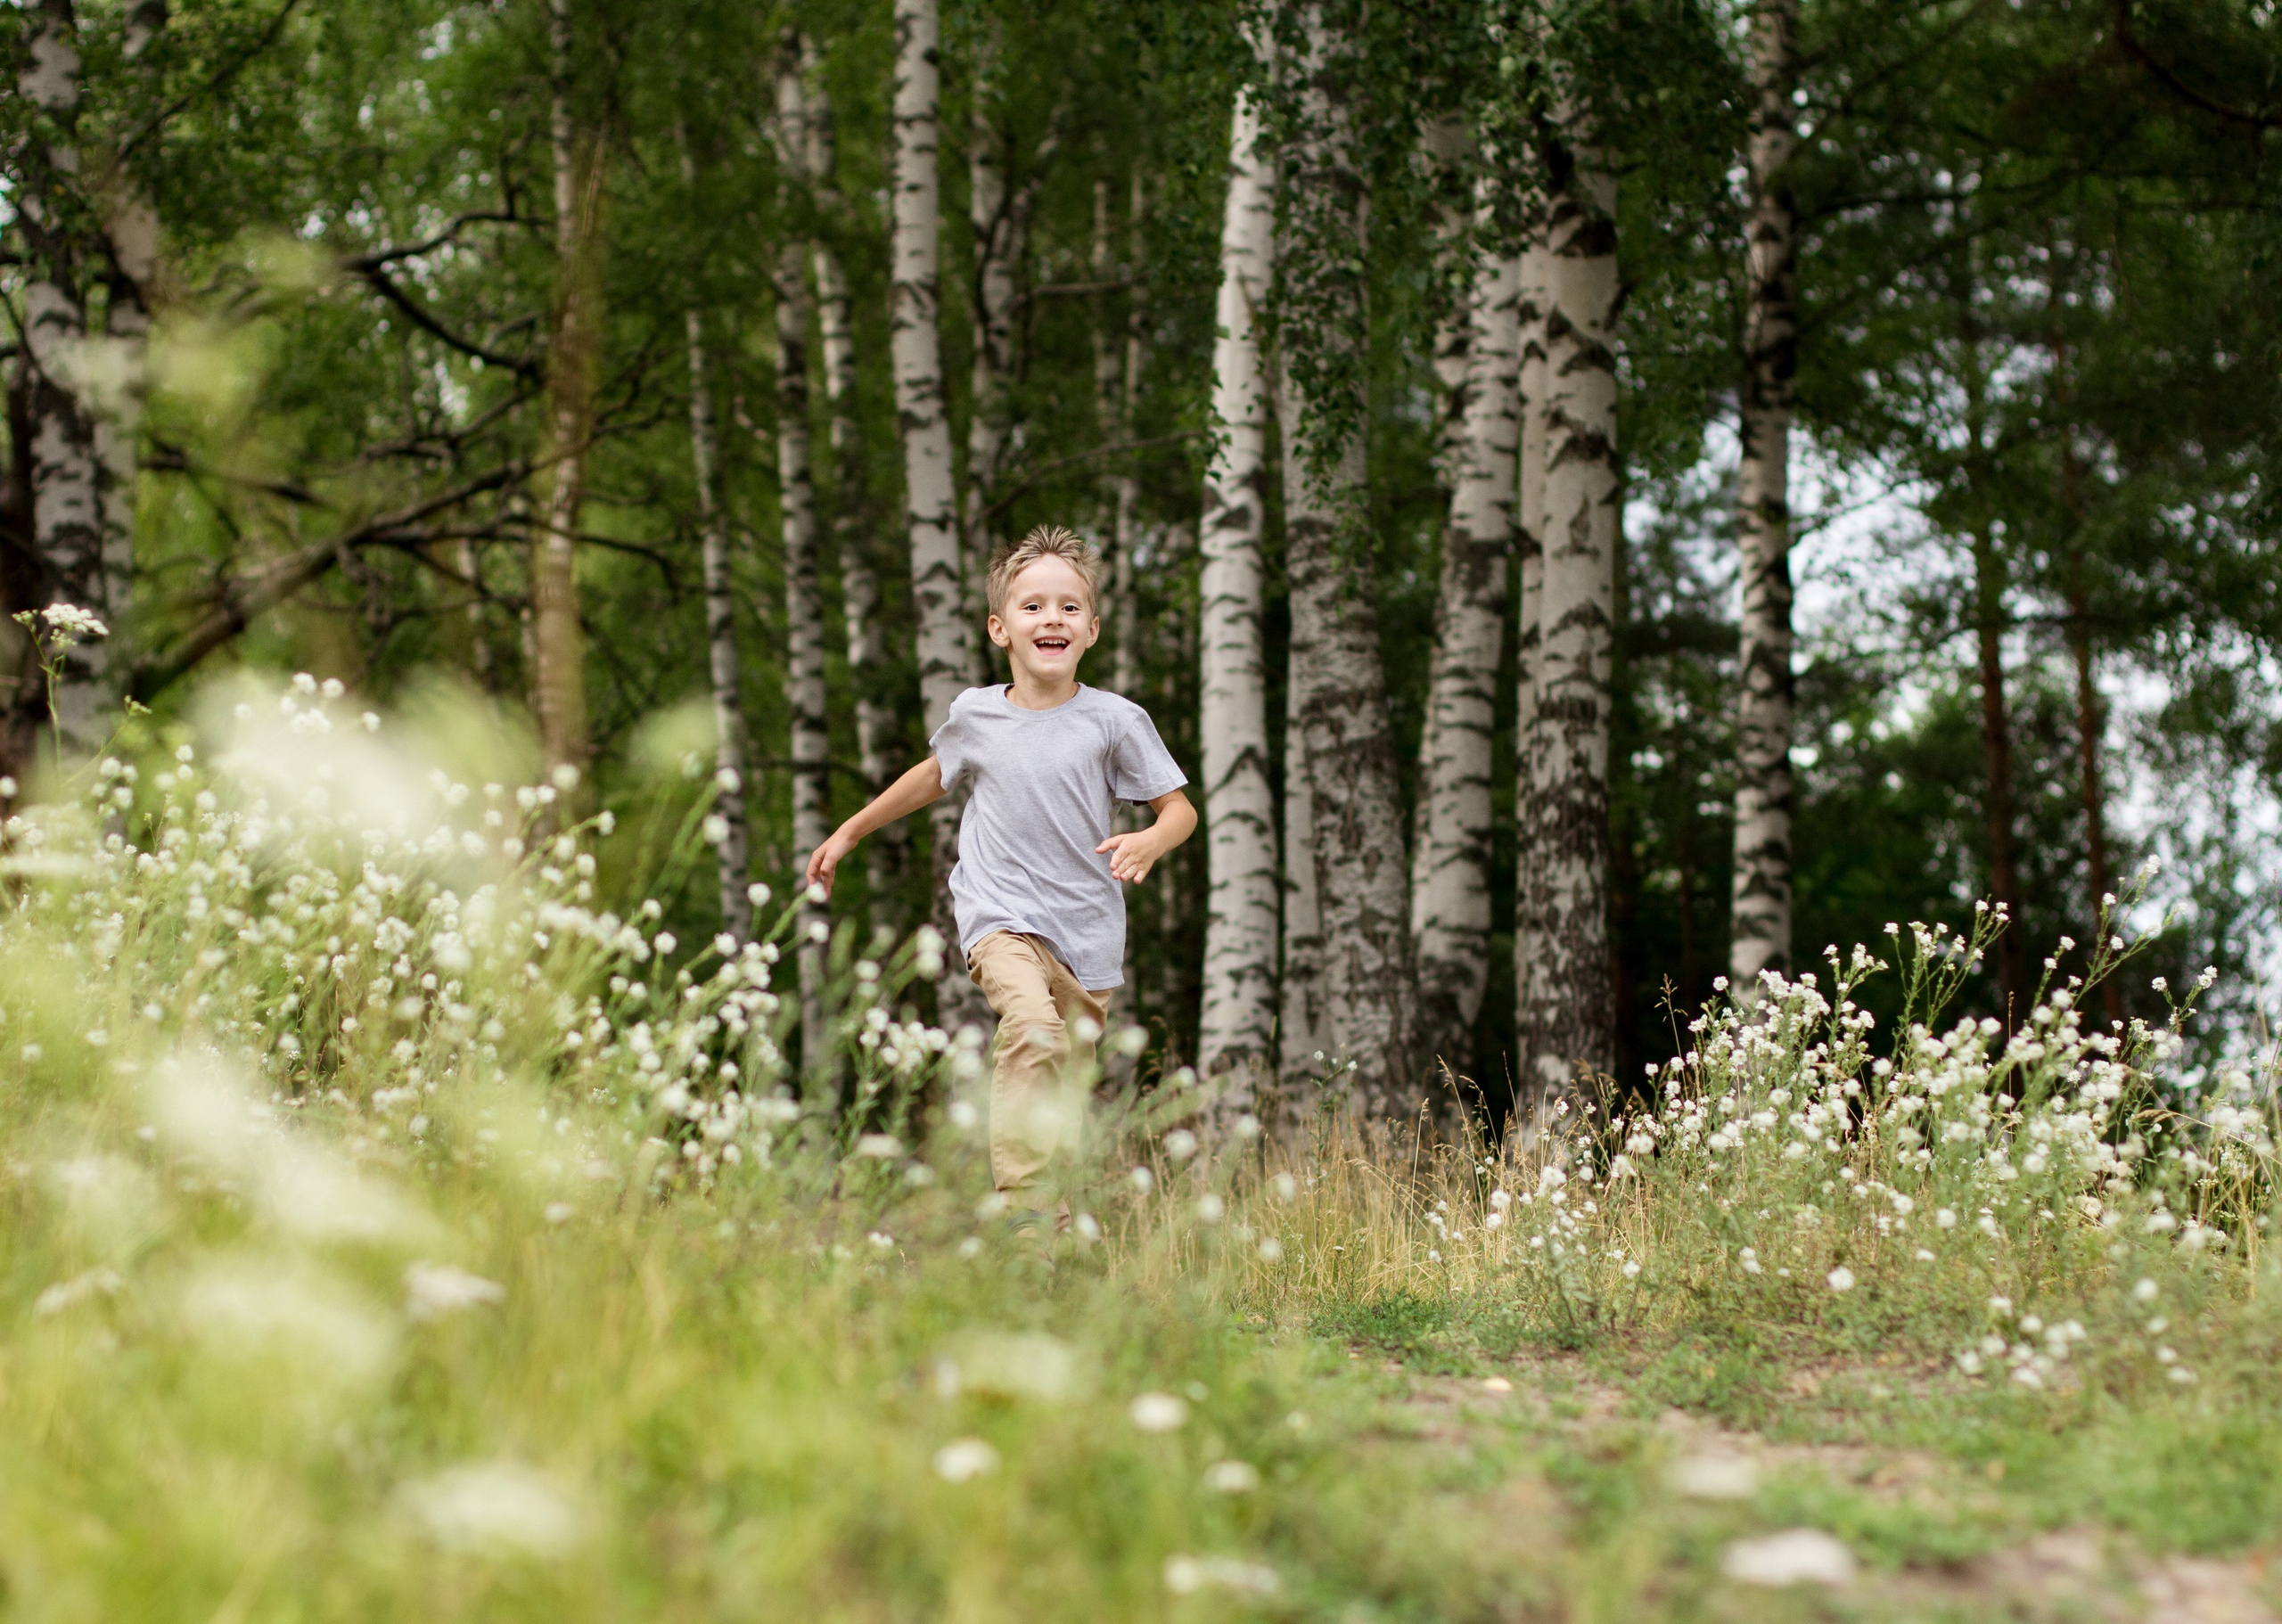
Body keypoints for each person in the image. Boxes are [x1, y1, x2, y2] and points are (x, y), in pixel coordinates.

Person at [803, 524, 1196, 1194]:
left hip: (1087, 938)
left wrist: (1153, 840)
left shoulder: (1116, 721)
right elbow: (932, 776)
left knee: (1060, 1100)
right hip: (1000, 918)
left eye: (1069, 607)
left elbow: (1180, 811)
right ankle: (1018, 1204)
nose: (1052, 618)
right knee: (1033, 1029)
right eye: (1033, 606)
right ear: (1000, 629)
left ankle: (1044, 1249)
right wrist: (850, 832)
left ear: (1092, 631)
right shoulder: (976, 715)